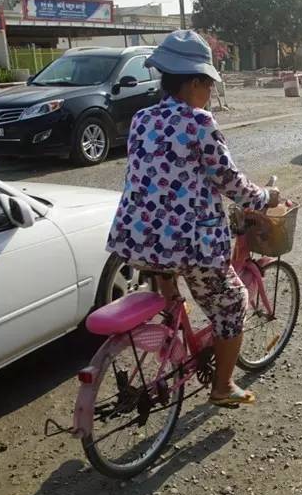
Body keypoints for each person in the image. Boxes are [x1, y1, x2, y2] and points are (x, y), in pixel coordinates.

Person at [105, 29, 280, 408]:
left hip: (136, 238)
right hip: (189, 245)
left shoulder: (141, 118)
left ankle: (174, 336)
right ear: (195, 82)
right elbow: (228, 180)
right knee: (232, 303)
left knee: (173, 293)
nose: (210, 92)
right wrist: (264, 197)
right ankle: (223, 386)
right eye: (208, 84)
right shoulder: (199, 122)